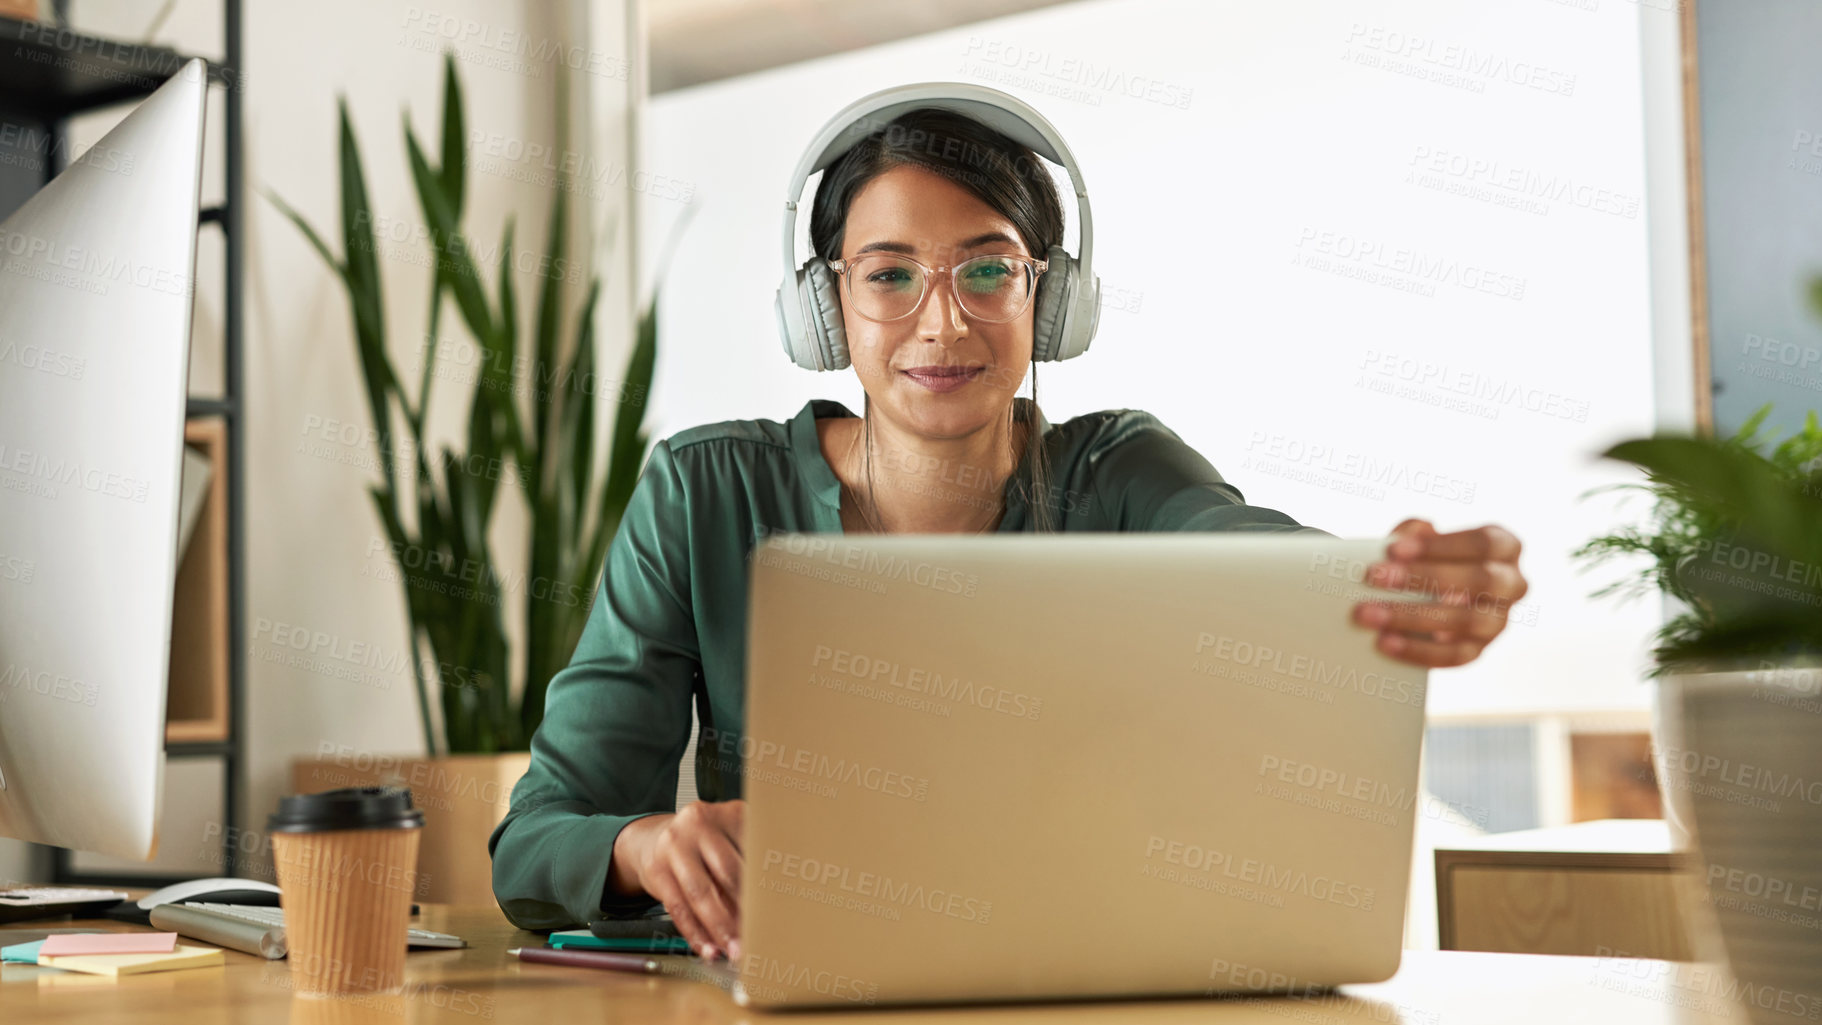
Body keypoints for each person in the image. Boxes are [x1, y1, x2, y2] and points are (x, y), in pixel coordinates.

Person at [488, 101, 1529, 961]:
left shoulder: (1115, 469)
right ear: (824, 308)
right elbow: (536, 839)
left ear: (1052, 297)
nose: (941, 324)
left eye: (988, 270)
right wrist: (643, 846)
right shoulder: (703, 492)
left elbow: (1248, 552)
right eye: (888, 275)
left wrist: (1390, 590)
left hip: (1083, 1004)